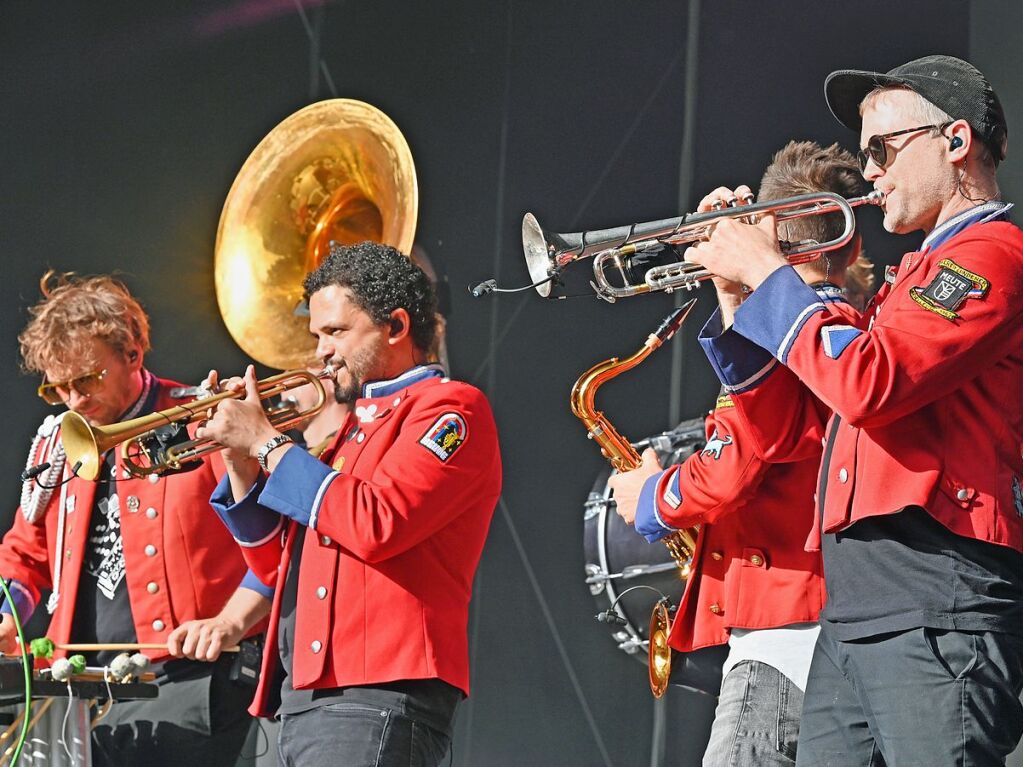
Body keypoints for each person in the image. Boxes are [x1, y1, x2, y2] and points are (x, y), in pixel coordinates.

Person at [686, 55, 1023, 765]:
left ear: (955, 141)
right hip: (856, 608)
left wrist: (770, 272)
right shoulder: (909, 281)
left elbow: (870, 382)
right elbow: (780, 432)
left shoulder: (991, 255)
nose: (869, 171)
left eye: (882, 149)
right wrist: (735, 295)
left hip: (937, 597)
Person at [609, 140, 866, 766]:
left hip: (784, 639)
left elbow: (741, 458)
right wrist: (734, 291)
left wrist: (650, 498)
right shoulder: (837, 324)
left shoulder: (806, 329)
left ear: (774, 232)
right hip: (809, 629)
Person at [199, 241, 502, 766]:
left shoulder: (451, 408)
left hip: (379, 688)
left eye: (336, 332)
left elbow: (379, 522)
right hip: (304, 695)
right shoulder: (348, 436)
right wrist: (240, 461)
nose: (321, 352)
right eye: (317, 335)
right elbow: (279, 567)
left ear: (396, 326)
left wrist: (269, 444)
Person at [0, 273, 271, 765]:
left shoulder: (204, 420)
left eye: (87, 379)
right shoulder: (56, 445)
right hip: (81, 686)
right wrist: (5, 613)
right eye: (59, 388)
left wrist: (232, 620)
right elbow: (24, 552)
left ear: (132, 353)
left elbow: (278, 544)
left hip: (189, 677)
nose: (75, 401)